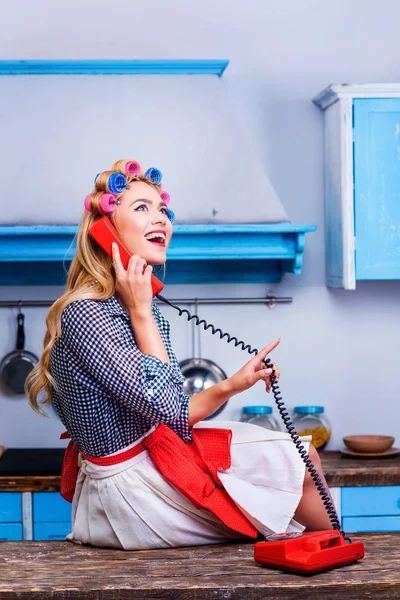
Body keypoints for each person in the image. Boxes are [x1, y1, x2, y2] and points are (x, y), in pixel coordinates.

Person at [26, 159, 334, 550]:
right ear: (105, 232)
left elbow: (174, 413)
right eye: (141, 208)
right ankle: (341, 562)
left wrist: (232, 385)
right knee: (295, 468)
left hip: (155, 459)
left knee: (299, 463)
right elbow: (169, 406)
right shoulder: (87, 313)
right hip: (134, 493)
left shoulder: (142, 307)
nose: (161, 220)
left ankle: (336, 554)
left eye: (163, 210)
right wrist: (140, 312)